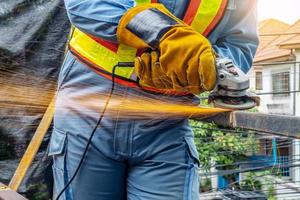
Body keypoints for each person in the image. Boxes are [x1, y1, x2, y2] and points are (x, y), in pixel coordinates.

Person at [49, 0, 259, 199]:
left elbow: (240, 45)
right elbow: (85, 5)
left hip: (167, 124)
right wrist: (163, 32)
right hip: (90, 110)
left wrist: (205, 65)